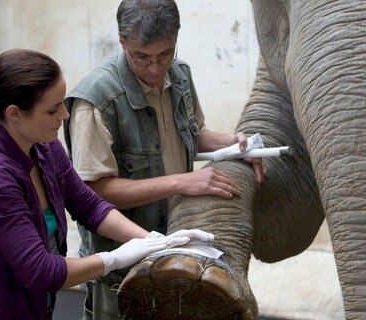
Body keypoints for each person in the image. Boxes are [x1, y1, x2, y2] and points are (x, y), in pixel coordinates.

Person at [0, 48, 213, 320]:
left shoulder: (45, 147)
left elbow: (89, 206)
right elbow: (40, 271)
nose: (65, 116)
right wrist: (114, 259)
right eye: (52, 110)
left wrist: (155, 242)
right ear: (14, 114)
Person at [63, 0, 264, 318]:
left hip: (177, 252)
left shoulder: (180, 74)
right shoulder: (95, 102)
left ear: (176, 40)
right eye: (141, 57)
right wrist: (184, 181)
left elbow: (192, 134)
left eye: (164, 55)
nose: (155, 69)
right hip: (121, 269)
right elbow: (92, 192)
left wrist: (232, 143)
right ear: (122, 41)